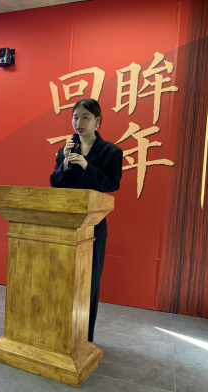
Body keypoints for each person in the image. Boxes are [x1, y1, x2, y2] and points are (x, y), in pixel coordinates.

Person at [49, 98, 123, 343]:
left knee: (88, 283)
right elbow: (55, 183)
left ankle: (83, 339)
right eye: (75, 117)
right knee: (62, 280)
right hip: (66, 225)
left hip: (93, 227)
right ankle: (60, 333)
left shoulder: (111, 151)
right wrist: (65, 162)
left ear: (97, 121)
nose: (78, 122)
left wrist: (86, 166)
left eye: (85, 117)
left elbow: (111, 183)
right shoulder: (66, 150)